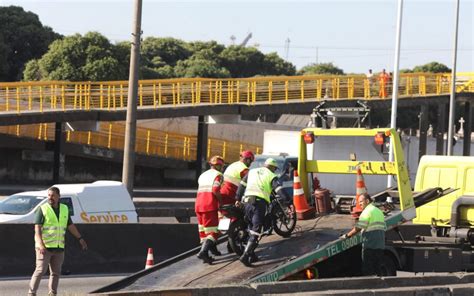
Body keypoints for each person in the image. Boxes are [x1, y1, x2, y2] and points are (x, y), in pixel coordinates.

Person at [28, 186, 88, 296]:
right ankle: (31, 293)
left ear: (59, 197)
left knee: (55, 273)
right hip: (44, 248)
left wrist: (80, 238)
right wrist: (41, 245)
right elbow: (37, 229)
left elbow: (70, 225)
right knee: (40, 270)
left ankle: (52, 293)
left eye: (53, 195)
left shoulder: (65, 208)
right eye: (49, 195)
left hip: (59, 247)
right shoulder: (42, 209)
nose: (50, 198)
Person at [236, 157, 290, 267]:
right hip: (258, 204)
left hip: (247, 202)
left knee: (251, 228)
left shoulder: (252, 172)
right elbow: (279, 190)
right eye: (274, 169)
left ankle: (252, 254)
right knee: (257, 230)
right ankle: (245, 256)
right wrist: (288, 201)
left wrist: (237, 198)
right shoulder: (271, 175)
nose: (274, 171)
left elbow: (242, 185)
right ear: (272, 167)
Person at [340, 193, 386, 276]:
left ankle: (369, 287)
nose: (359, 204)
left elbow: (358, 228)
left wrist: (347, 236)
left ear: (367, 201)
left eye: (361, 201)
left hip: (370, 246)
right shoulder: (379, 211)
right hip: (380, 245)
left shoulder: (366, 212)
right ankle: (379, 286)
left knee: (368, 271)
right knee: (378, 270)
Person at [195, 155, 225, 264]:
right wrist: (221, 202)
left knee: (204, 233)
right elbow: (216, 189)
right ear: (219, 166)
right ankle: (203, 252)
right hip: (210, 206)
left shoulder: (203, 175)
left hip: (199, 205)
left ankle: (207, 255)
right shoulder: (218, 175)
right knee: (213, 232)